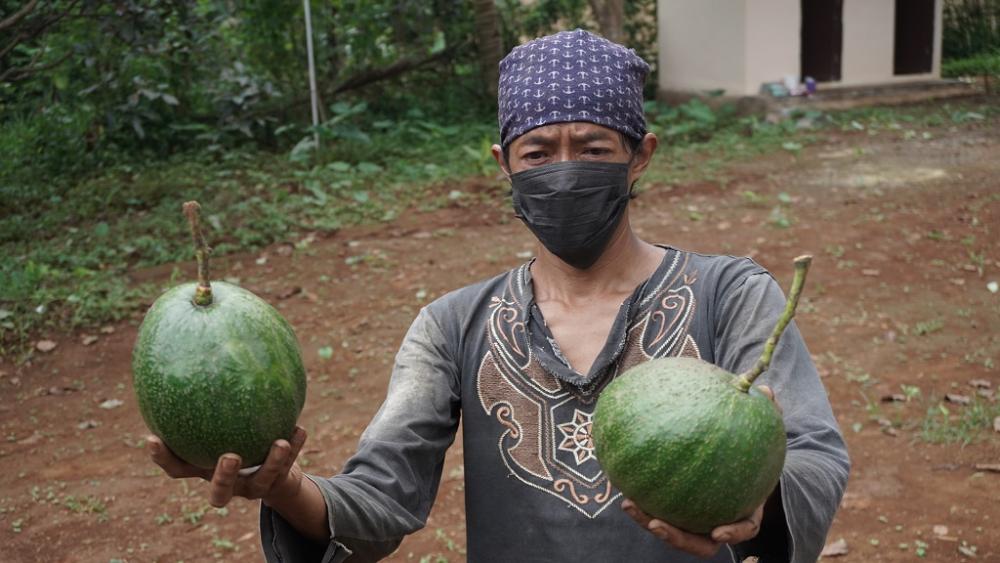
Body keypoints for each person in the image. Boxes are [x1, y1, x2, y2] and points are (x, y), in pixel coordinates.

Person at [147, 29, 849, 563]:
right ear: (504, 163)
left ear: (641, 154)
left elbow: (814, 452)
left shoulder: (731, 294)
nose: (564, 169)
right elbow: (383, 491)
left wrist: (763, 493)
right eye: (539, 153)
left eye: (594, 148)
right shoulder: (452, 326)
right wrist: (284, 488)